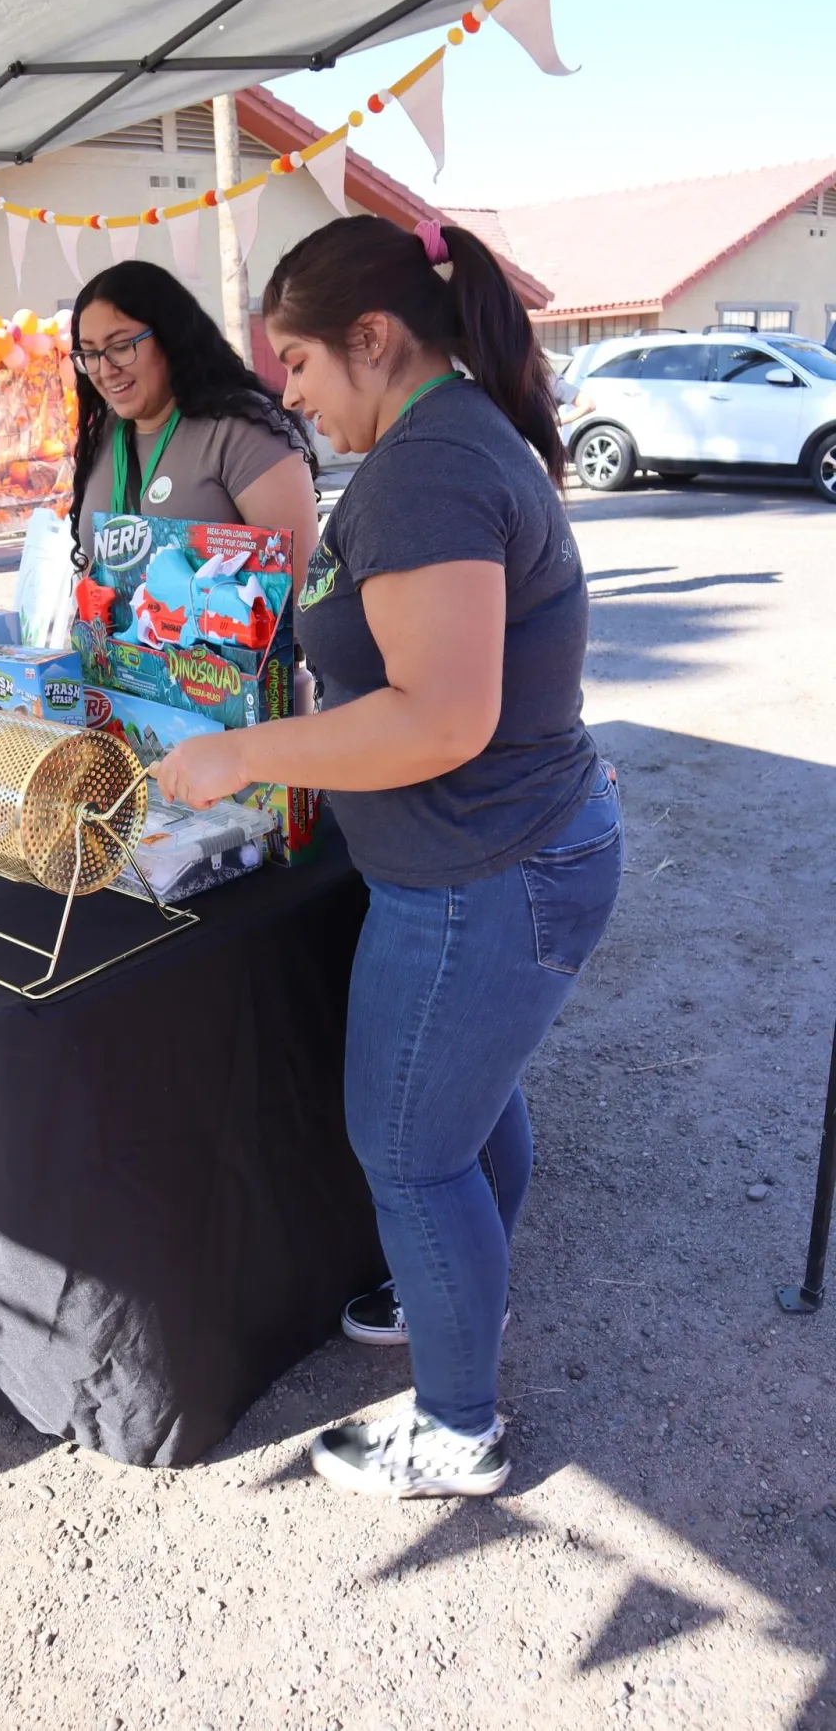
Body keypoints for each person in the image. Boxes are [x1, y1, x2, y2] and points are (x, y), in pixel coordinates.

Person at [155, 214, 623, 1501]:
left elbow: (439, 716)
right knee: (466, 1111)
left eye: (298, 365)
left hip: (488, 870)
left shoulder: (429, 468)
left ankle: (457, 1426)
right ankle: (458, 1288)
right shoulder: (451, 437)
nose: (288, 396)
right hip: (509, 850)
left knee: (412, 1148)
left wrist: (248, 757)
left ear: (374, 339)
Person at [68, 261, 319, 587]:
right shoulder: (105, 435)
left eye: (120, 347)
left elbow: (298, 591)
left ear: (170, 337)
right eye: (89, 354)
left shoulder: (240, 430)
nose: (105, 369)